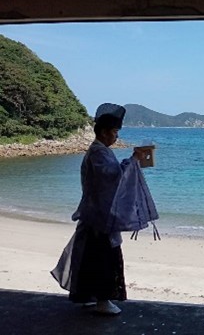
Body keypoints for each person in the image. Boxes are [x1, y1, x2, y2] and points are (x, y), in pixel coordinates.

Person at [51, 103, 158, 315]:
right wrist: (134, 160)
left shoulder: (99, 151)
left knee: (91, 257)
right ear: (103, 132)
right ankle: (102, 300)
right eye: (115, 132)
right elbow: (113, 178)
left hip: (95, 213)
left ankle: (89, 297)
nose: (116, 136)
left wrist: (131, 162)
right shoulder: (98, 153)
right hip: (100, 216)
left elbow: (112, 176)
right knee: (103, 258)